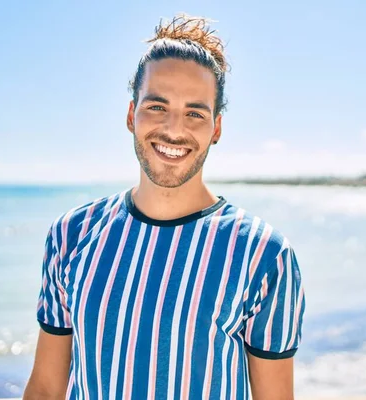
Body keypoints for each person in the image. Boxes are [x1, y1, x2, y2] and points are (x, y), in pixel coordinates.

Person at [23, 14, 305, 400]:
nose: (174, 129)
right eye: (157, 106)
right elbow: (45, 388)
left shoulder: (264, 255)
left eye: (194, 113)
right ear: (130, 115)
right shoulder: (72, 234)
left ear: (216, 128)